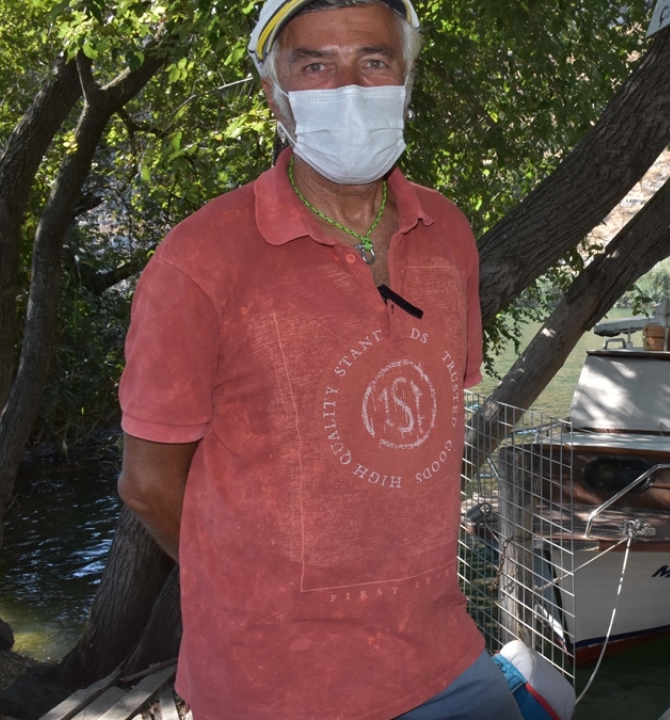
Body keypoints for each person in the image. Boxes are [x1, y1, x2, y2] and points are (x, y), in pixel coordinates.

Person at [117, 1, 523, 717]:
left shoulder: (448, 234)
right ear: (274, 93)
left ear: (407, 78)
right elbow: (149, 485)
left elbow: (426, 438)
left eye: (373, 61)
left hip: (444, 661)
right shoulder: (200, 259)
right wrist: (259, 589)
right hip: (274, 682)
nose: (349, 89)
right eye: (314, 65)